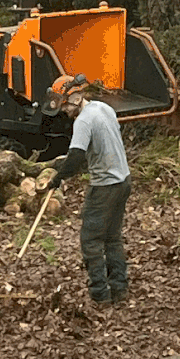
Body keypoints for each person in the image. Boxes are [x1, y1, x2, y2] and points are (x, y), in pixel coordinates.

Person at [51, 73, 132, 312]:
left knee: (91, 240)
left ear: (75, 98)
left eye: (64, 105)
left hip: (105, 186)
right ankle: (119, 289)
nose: (64, 110)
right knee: (112, 237)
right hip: (123, 181)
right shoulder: (104, 108)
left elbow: (76, 156)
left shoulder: (83, 121)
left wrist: (57, 178)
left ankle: (100, 295)